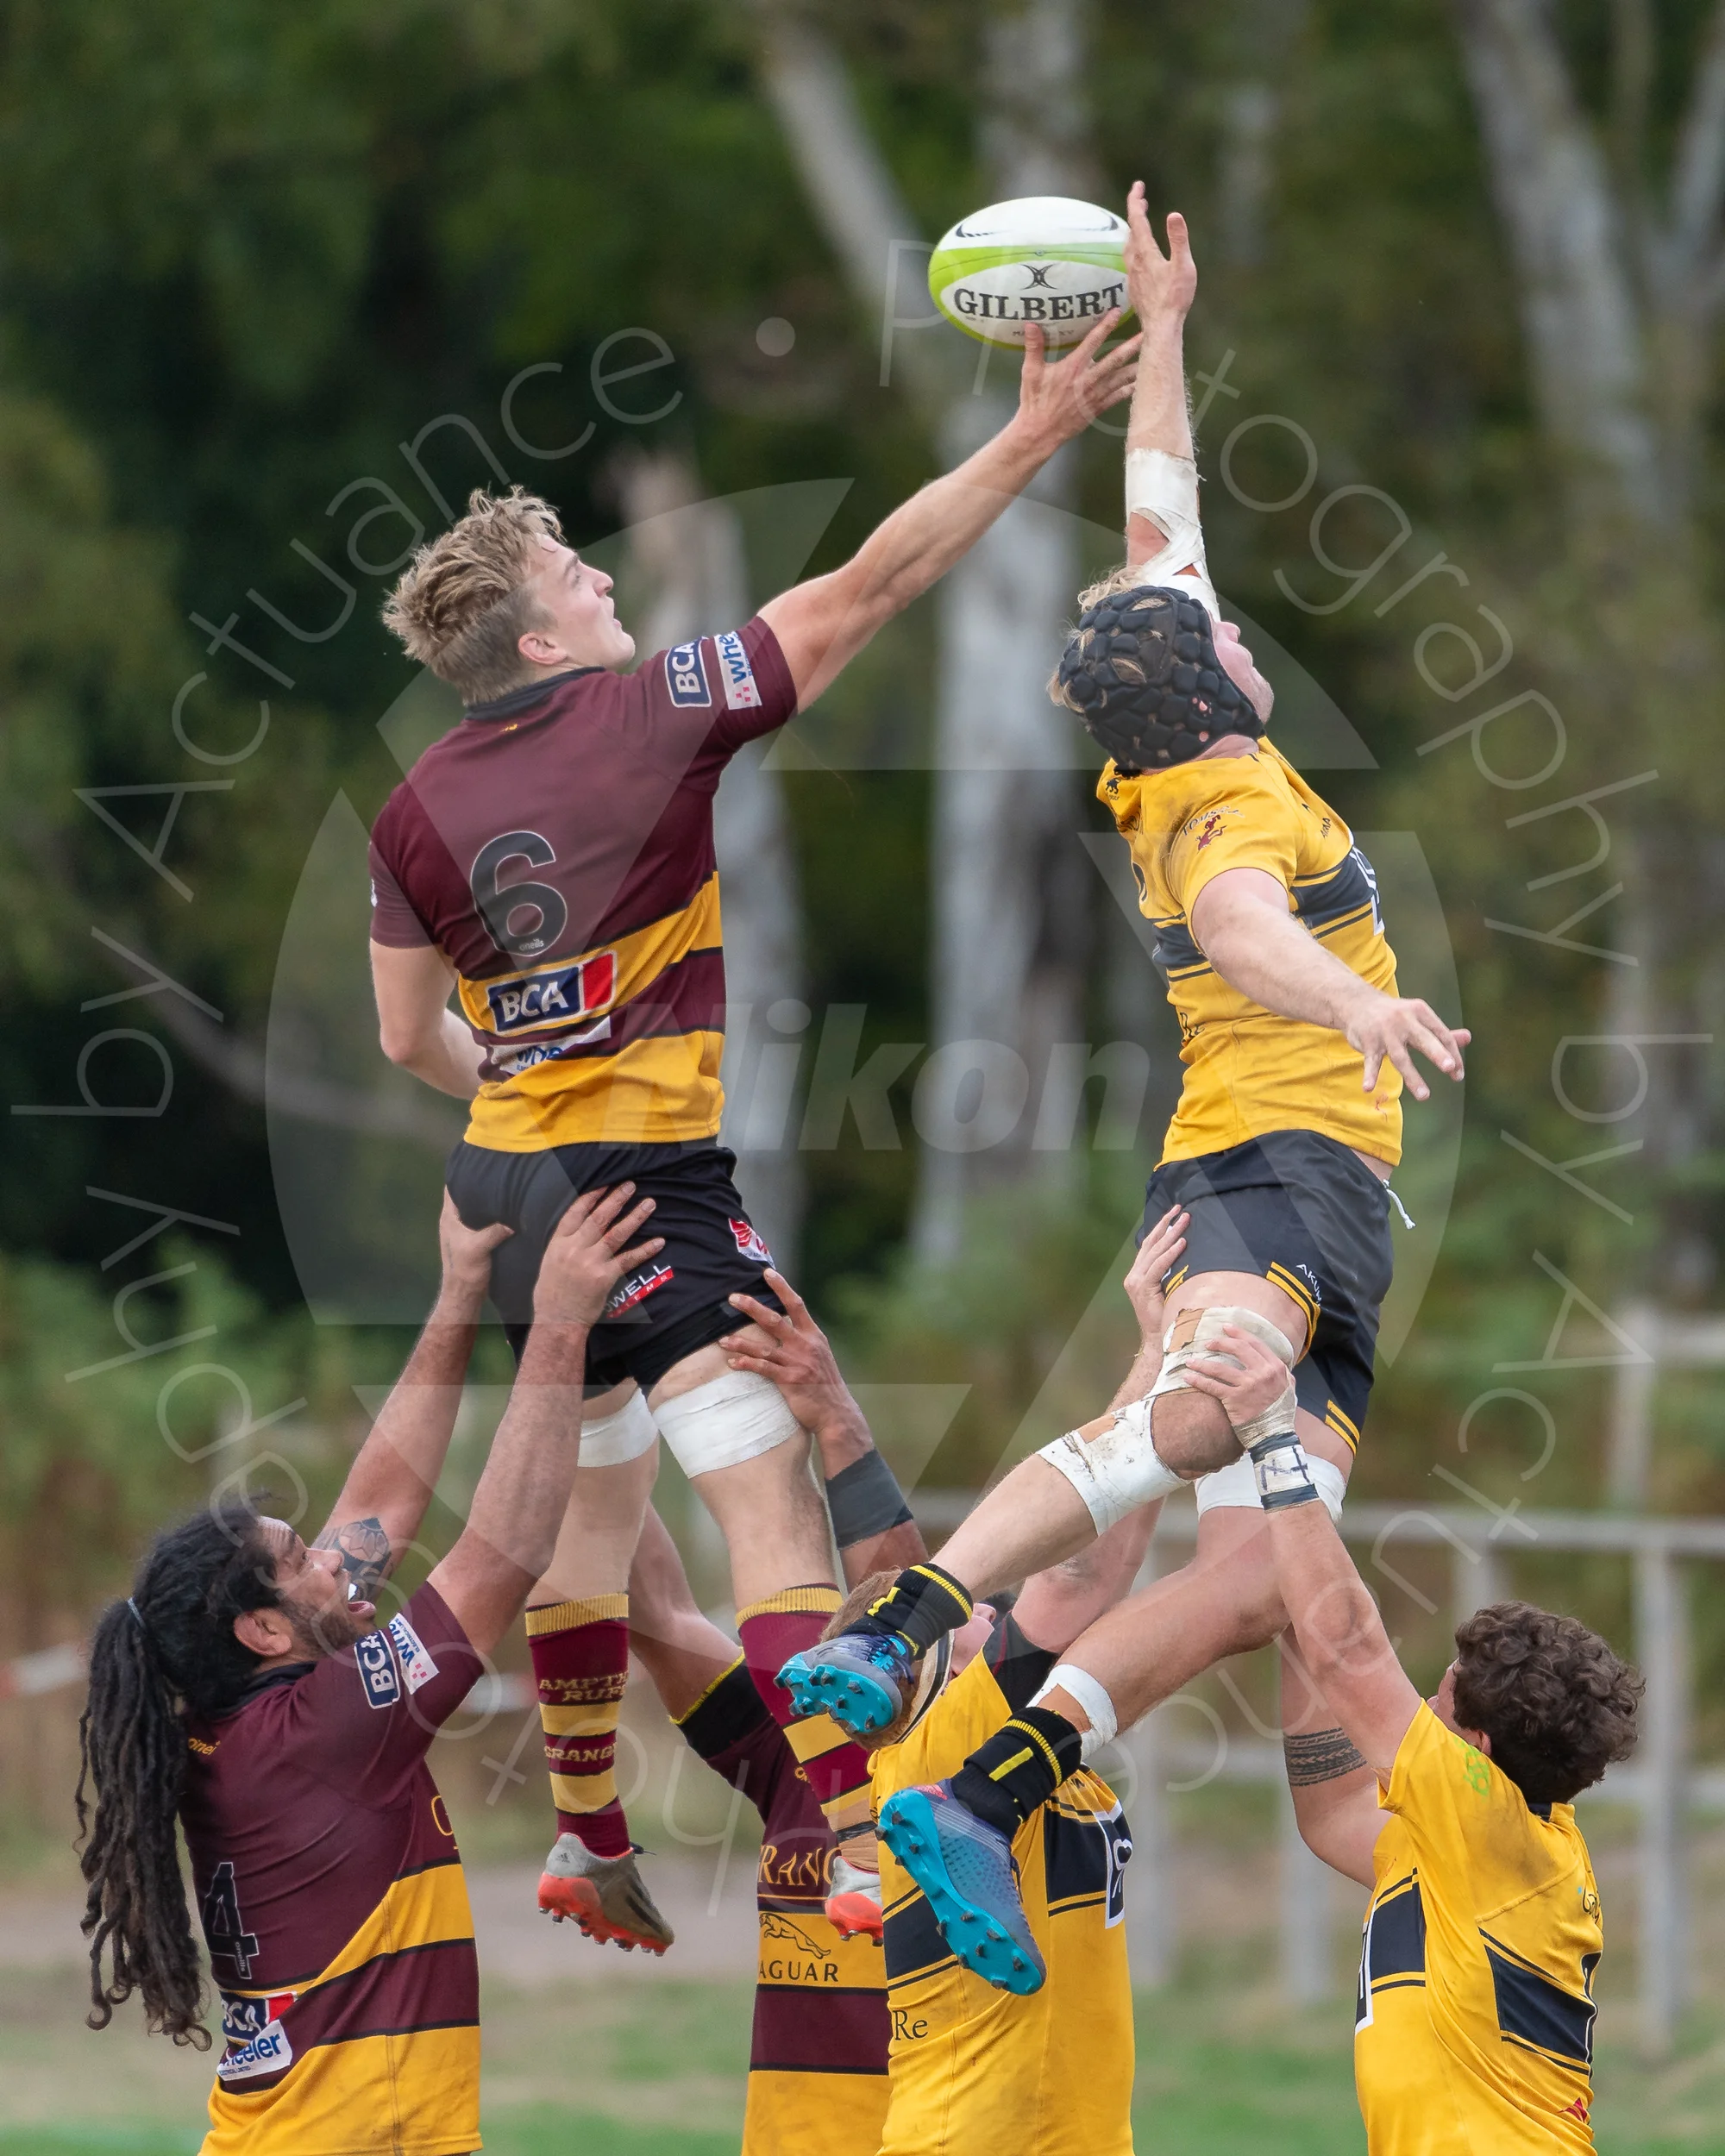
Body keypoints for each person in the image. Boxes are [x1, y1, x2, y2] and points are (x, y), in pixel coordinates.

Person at [367, 313, 1142, 1943]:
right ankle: (862, 1849)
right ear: (531, 638)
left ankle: (585, 1829)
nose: (600, 577)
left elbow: (401, 1036)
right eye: (574, 568)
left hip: (502, 1187)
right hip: (647, 1198)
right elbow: (867, 583)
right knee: (766, 1501)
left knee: (598, 1501)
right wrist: (1033, 433)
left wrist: (525, 1087)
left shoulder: (407, 806)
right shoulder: (653, 708)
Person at [781, 183, 1468, 1782]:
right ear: (1209, 682)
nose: (1234, 621)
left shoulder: (1184, 728)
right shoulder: (1225, 803)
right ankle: (911, 1627)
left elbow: (1164, 509)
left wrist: (1164, 329)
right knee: (1196, 1413)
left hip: (1308, 1181)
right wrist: (1356, 1003)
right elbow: (1241, 930)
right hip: (1274, 1161)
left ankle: (978, 1784)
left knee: (1240, 1581)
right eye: (1216, 628)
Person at [75, 1186, 660, 2156]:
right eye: (303, 1556)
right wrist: (558, 1320)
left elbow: (381, 1503)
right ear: (263, 1631)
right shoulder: (329, 1726)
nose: (337, 1563)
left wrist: (461, 1287)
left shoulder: (236, 1726)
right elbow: (502, 1550)